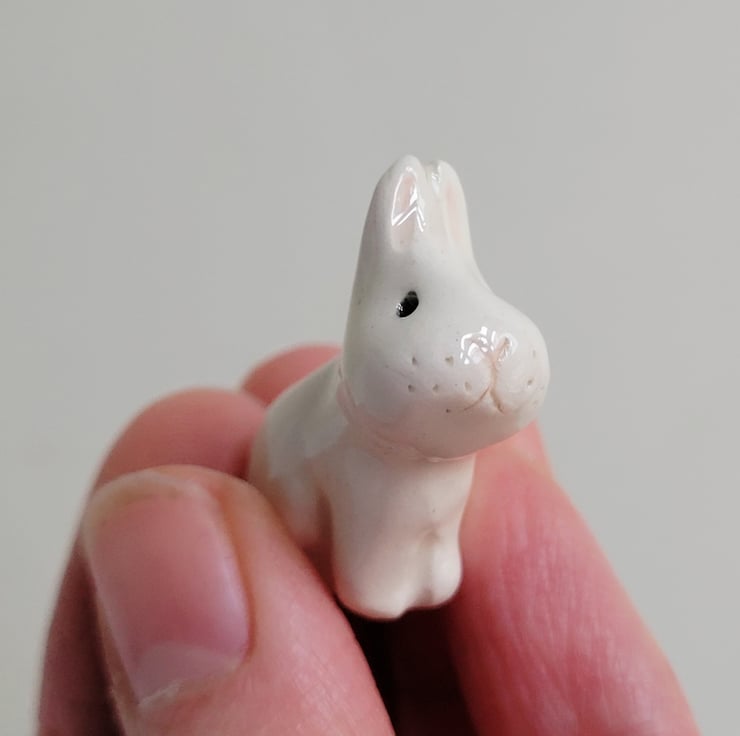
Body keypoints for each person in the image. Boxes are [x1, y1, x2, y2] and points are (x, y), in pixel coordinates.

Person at [37, 346, 699, 735]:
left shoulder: (442, 456)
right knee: (376, 550)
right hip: (301, 519)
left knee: (434, 524)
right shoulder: (357, 445)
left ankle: (427, 564)